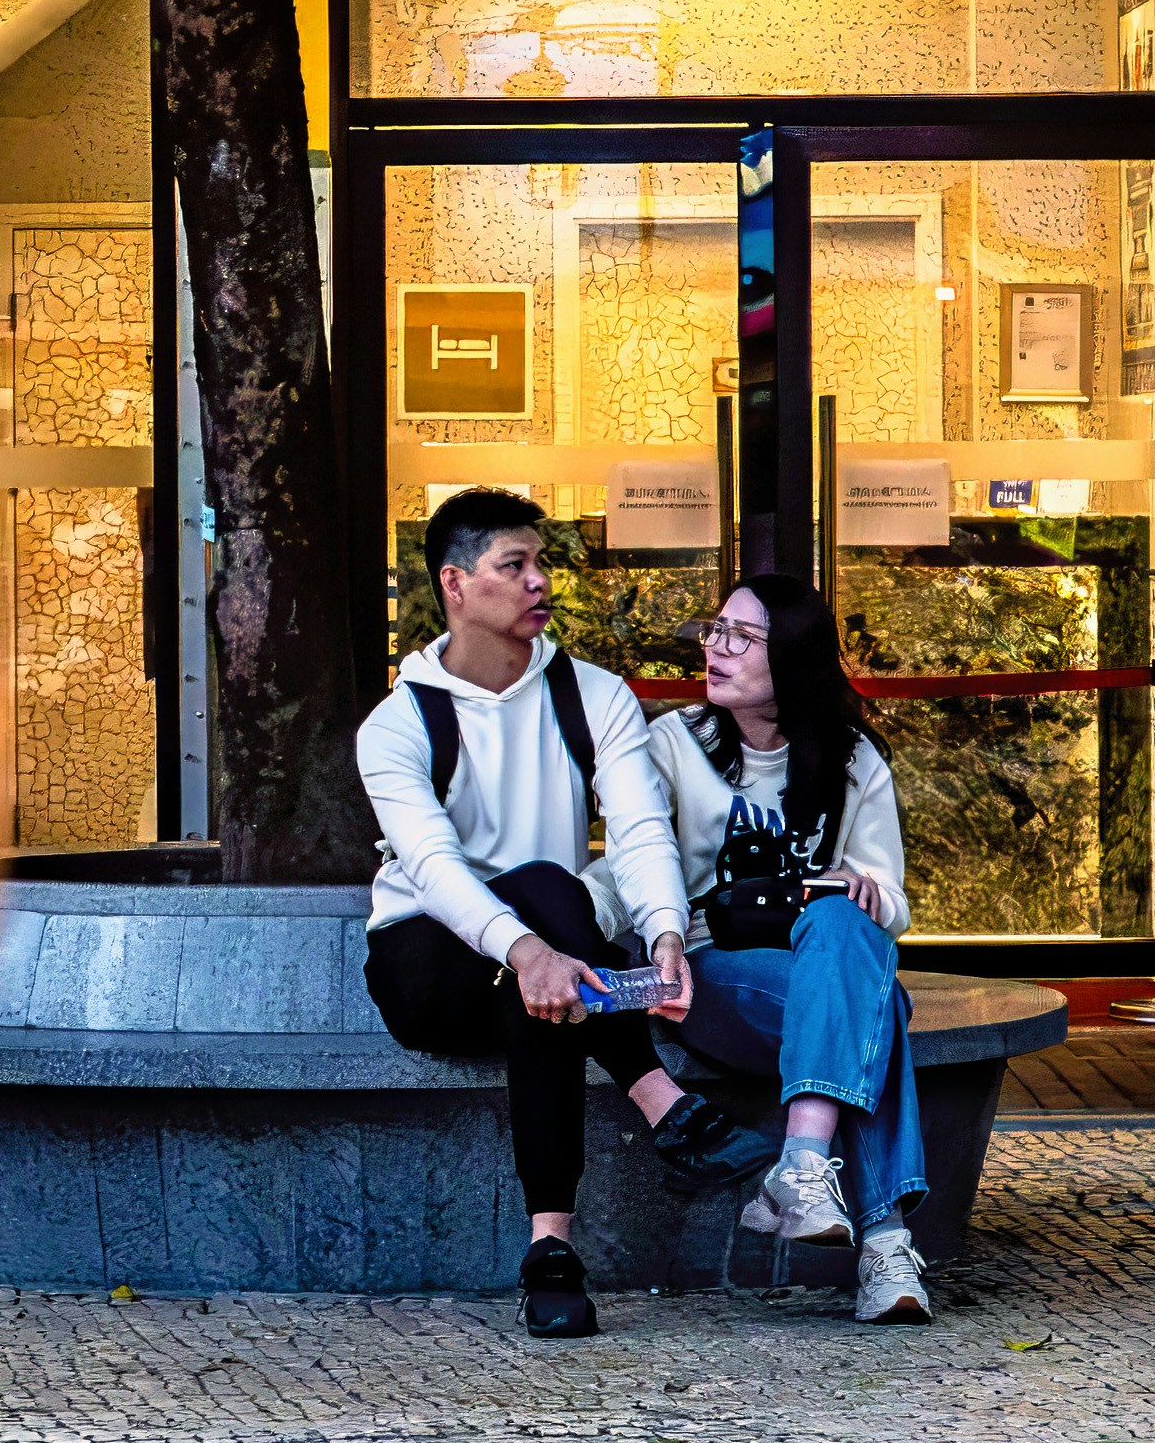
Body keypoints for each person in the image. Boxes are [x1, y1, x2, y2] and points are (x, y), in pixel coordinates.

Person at [358, 489, 699, 1341]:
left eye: (542, 564)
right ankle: (660, 1097)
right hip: (428, 966)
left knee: (548, 925)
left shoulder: (594, 697)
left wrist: (664, 932)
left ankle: (552, 1252)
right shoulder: (397, 725)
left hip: (552, 962)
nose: (540, 582)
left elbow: (640, 826)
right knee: (543, 911)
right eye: (516, 565)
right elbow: (432, 870)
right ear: (457, 584)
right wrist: (525, 946)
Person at [614, 572, 933, 1321]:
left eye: (740, 637)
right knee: (878, 1007)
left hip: (812, 969)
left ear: (789, 659)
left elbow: (893, 900)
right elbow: (632, 854)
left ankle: (802, 1167)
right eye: (714, 631)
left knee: (845, 925)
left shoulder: (852, 760)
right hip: (706, 975)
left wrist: (865, 891)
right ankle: (885, 1239)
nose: (715, 650)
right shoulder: (675, 744)